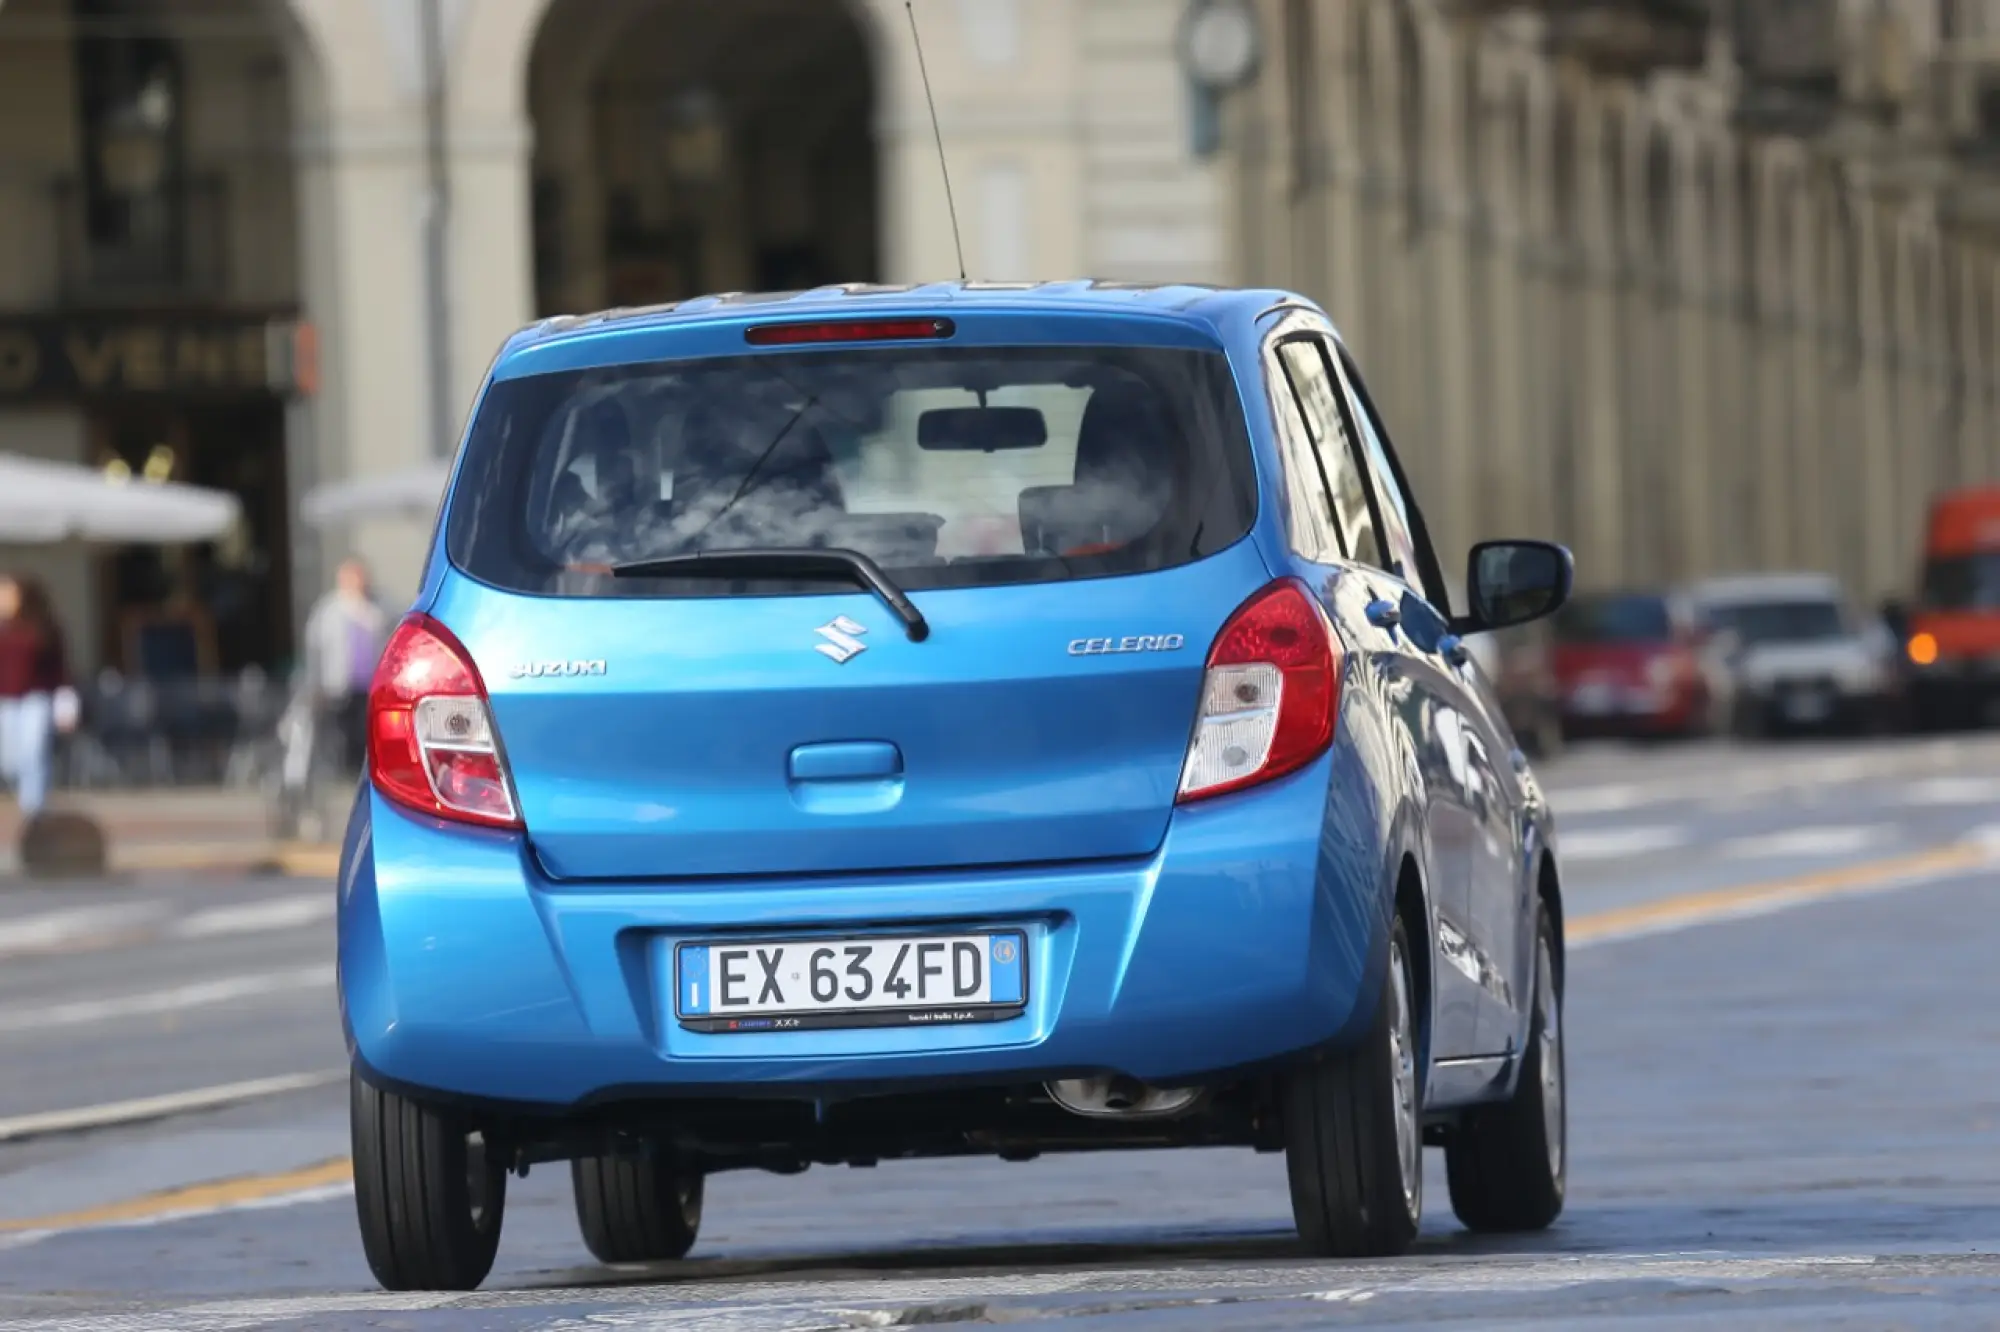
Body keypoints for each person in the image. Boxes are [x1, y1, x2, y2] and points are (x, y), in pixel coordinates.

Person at [302, 558, 388, 775]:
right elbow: (315, 650)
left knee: (365, 731)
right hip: (338, 684)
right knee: (340, 732)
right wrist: (315, 684)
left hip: (369, 684)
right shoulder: (328, 611)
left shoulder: (377, 611)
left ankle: (362, 771)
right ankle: (342, 773)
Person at [0, 576, 76, 818]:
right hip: (6, 699)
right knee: (10, 758)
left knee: (33, 752)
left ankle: (34, 807)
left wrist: (66, 699)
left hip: (36, 698)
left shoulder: (43, 628)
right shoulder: (3, 629)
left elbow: (59, 666)